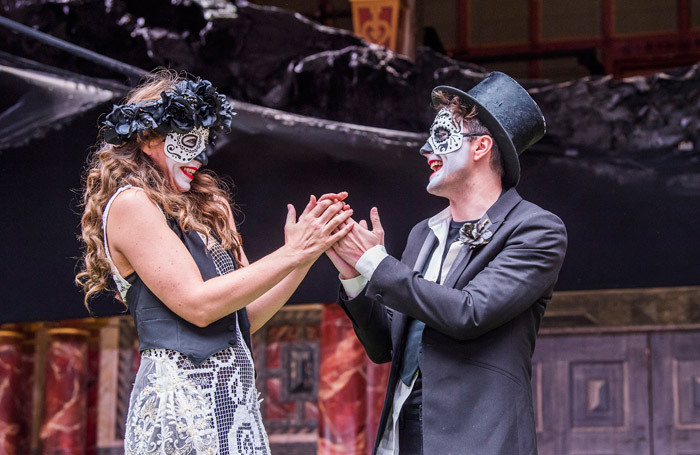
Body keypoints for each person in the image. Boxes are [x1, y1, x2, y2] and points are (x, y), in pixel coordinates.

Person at [76, 70, 354, 455]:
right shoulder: (130, 204)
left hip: (233, 405)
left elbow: (246, 316)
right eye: (187, 140)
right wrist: (291, 253)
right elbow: (200, 305)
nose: (197, 156)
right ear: (148, 138)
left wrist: (305, 254)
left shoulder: (207, 208)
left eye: (203, 142)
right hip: (180, 410)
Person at [325, 72, 568, 454]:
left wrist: (376, 262)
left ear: (481, 147)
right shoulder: (425, 233)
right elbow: (385, 347)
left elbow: (469, 313)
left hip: (479, 438)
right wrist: (354, 273)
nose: (425, 149)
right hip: (403, 433)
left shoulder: (536, 229)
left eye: (440, 136)